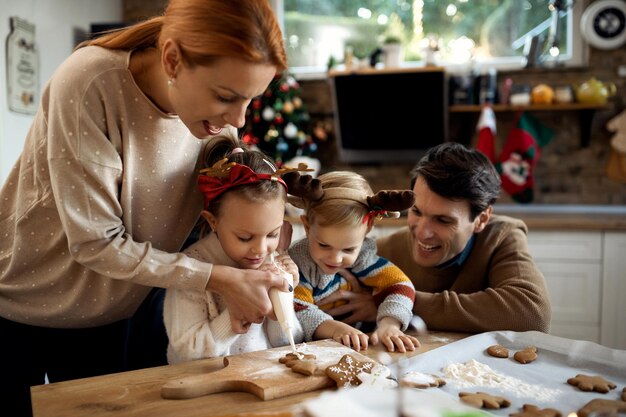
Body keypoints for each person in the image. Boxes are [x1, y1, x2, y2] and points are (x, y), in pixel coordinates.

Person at [0, 1, 291, 416]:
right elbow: (96, 243)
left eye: (250, 100)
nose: (238, 121)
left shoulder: (216, 124)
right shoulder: (89, 83)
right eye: (227, 96)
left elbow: (241, 209)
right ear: (172, 58)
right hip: (19, 305)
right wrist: (220, 280)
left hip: (115, 315)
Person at [323, 143, 552, 334]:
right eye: (416, 212)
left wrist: (393, 300)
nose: (422, 232)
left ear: (482, 219)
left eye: (443, 221)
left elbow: (532, 314)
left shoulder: (501, 236)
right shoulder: (379, 252)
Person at [164, 132, 307, 363]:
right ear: (213, 222)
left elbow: (288, 342)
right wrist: (234, 315)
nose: (261, 249)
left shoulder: (271, 259)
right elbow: (186, 352)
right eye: (244, 237)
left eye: (272, 234)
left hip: (261, 377)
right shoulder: (190, 269)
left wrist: (284, 295)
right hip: (205, 390)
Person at [288, 171, 420, 353]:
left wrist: (389, 324)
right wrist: (336, 329)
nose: (335, 258)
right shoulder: (298, 264)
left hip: (363, 347)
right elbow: (298, 308)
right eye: (324, 245)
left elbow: (400, 285)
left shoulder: (365, 257)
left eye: (348, 249)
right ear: (307, 226)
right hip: (314, 351)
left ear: (368, 229)